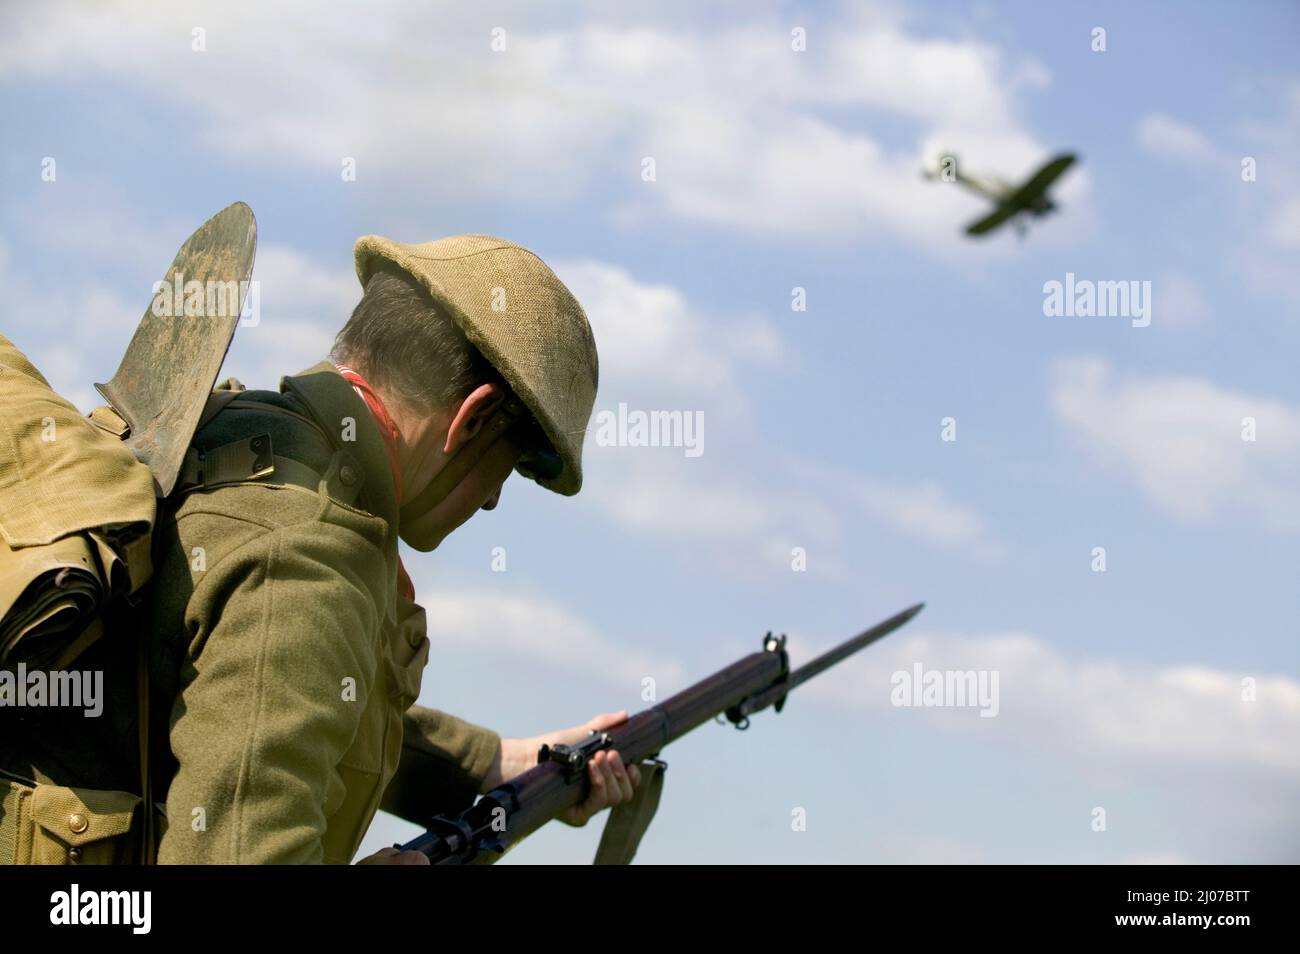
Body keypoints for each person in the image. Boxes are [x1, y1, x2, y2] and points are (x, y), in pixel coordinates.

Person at [142, 233, 640, 863]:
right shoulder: (309, 563)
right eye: (511, 469)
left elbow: (286, 707)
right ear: (475, 419)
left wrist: (502, 764)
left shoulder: (237, 440)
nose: (491, 502)